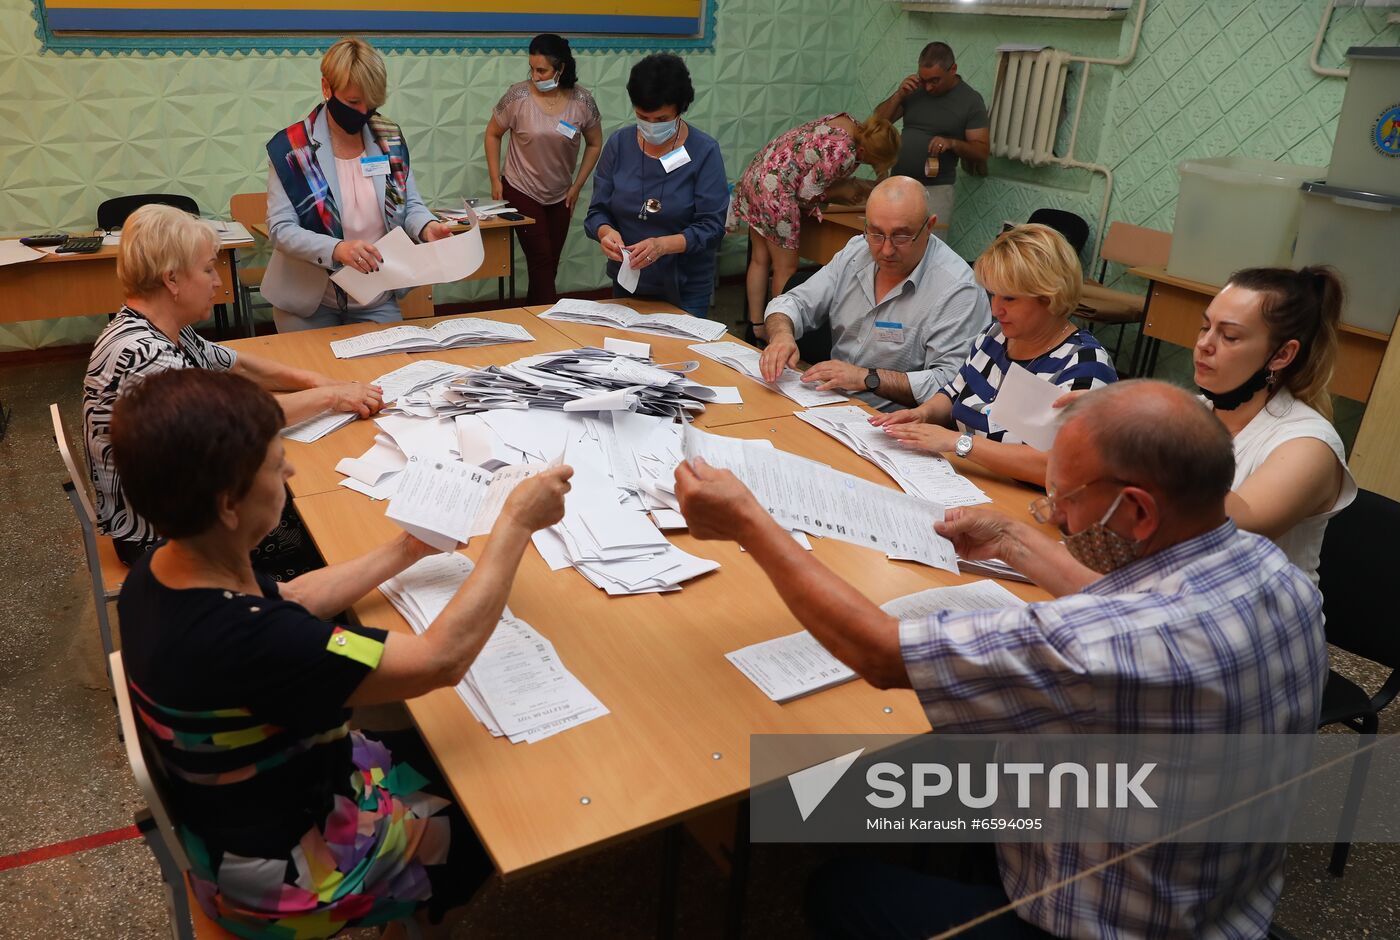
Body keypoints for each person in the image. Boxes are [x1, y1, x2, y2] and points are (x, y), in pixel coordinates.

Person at [674, 379, 1327, 939]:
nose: (1058, 519)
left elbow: (879, 653)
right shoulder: (1274, 573)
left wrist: (751, 525)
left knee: (840, 886)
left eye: (1064, 503)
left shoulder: (1100, 644)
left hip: (1113, 922)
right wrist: (1014, 538)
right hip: (1226, 902)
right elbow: (1127, 601)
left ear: (1137, 510)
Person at [111, 367, 573, 939]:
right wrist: (516, 525)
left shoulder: (162, 573)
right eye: (276, 466)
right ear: (229, 504)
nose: (290, 469)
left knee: (448, 752)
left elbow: (297, 596)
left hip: (238, 824)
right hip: (288, 874)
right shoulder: (261, 641)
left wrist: (408, 547)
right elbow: (440, 660)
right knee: (492, 811)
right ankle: (417, 913)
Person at [83, 203, 384, 567]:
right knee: (326, 534)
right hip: (162, 534)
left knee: (304, 501)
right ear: (172, 280)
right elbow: (237, 426)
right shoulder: (144, 356)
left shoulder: (156, 326)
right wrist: (332, 395)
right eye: (208, 269)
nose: (217, 281)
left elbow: (237, 364)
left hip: (182, 506)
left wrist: (315, 380)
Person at [870, 223, 1117, 486]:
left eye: (1009, 299)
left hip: (1026, 499)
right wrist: (924, 414)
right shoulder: (996, 335)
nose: (996, 308)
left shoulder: (1086, 366)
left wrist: (959, 442)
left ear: (1049, 298)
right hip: (968, 478)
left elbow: (1059, 466)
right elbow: (955, 391)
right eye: (993, 294)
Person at [263, 37, 451, 332]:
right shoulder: (292, 149)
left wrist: (428, 227)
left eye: (372, 103)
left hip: (375, 296)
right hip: (308, 303)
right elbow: (281, 229)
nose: (363, 111)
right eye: (353, 102)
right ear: (327, 88)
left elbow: (409, 204)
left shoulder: (387, 138)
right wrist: (337, 249)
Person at [758, 176, 990, 411]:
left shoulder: (958, 290)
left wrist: (867, 378)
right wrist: (781, 336)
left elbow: (951, 384)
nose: (886, 250)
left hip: (893, 424)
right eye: (876, 233)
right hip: (829, 403)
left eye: (901, 236)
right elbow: (792, 302)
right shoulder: (857, 252)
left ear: (929, 227)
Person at [1193, 266, 1355, 584]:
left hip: (1262, 617)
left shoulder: (1310, 445)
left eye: (1229, 336)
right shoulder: (1195, 410)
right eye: (1204, 326)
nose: (1205, 344)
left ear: (1281, 355)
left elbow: (1230, 524)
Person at [731, 113, 900, 342]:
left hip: (759, 177)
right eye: (874, 163)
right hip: (777, 193)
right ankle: (778, 335)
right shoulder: (845, 153)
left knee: (760, 260)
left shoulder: (848, 122)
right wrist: (842, 192)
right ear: (864, 153)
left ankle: (756, 327)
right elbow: (807, 192)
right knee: (786, 268)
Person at [584, 53, 728, 318]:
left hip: (684, 286)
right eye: (642, 117)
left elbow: (712, 227)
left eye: (661, 119)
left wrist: (662, 246)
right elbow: (597, 212)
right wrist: (605, 233)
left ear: (680, 108)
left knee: (677, 356)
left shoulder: (704, 151)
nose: (650, 127)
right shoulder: (619, 144)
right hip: (627, 281)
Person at [484, 33, 604, 305]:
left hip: (561, 193)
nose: (536, 76)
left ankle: (534, 318)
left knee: (549, 264)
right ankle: (551, 322)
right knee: (541, 260)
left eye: (542, 70)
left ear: (560, 69)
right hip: (521, 188)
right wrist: (495, 181)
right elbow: (492, 133)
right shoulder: (518, 95)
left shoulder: (582, 101)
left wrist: (577, 186)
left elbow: (595, 143)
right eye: (532, 69)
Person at [874, 41, 990, 225]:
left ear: (953, 70)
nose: (928, 87)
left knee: (931, 247)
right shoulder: (914, 90)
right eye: (924, 79)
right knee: (893, 240)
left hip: (936, 190)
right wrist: (898, 95)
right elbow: (876, 123)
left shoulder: (970, 100)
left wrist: (952, 143)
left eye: (935, 80)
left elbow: (982, 151)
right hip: (899, 182)